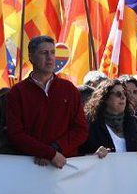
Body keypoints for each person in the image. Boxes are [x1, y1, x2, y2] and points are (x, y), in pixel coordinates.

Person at [6, 35, 88, 168]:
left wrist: (56, 149)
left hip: (65, 169)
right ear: (31, 57)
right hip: (29, 168)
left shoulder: (69, 89)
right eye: (44, 53)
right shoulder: (17, 92)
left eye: (53, 52)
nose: (50, 57)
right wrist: (48, 153)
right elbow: (15, 134)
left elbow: (81, 130)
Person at [83, 78, 137, 158]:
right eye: (118, 94)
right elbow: (81, 155)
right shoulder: (92, 123)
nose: (123, 97)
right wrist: (94, 156)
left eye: (124, 94)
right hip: (103, 170)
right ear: (105, 97)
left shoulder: (133, 122)